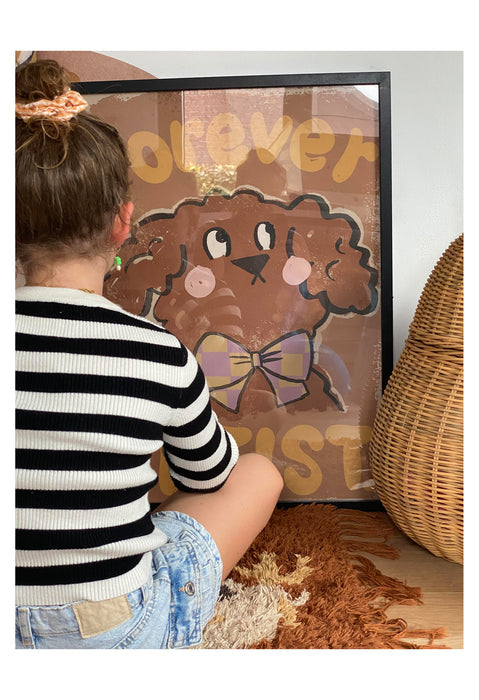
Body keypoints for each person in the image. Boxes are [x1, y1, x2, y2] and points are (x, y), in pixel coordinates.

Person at [15, 59, 283, 649]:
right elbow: (209, 477)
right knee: (258, 473)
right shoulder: (158, 354)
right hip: (116, 631)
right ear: (123, 222)